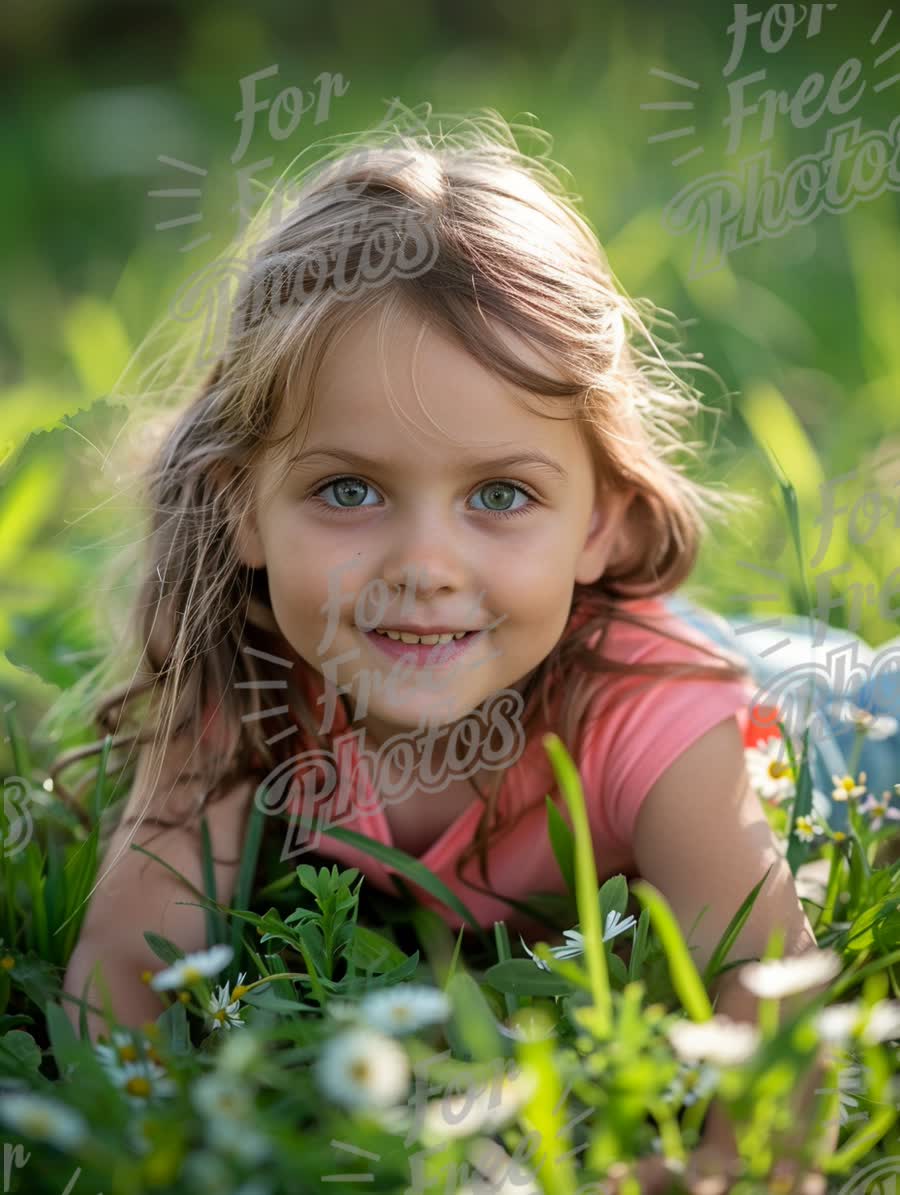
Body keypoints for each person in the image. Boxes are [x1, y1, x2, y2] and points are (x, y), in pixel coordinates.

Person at [59, 107, 869, 1183]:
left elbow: (772, 986)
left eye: (499, 494)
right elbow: (119, 972)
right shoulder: (254, 678)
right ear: (242, 509)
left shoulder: (650, 709)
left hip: (851, 728)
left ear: (601, 522)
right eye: (349, 490)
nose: (426, 564)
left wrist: (735, 1168)